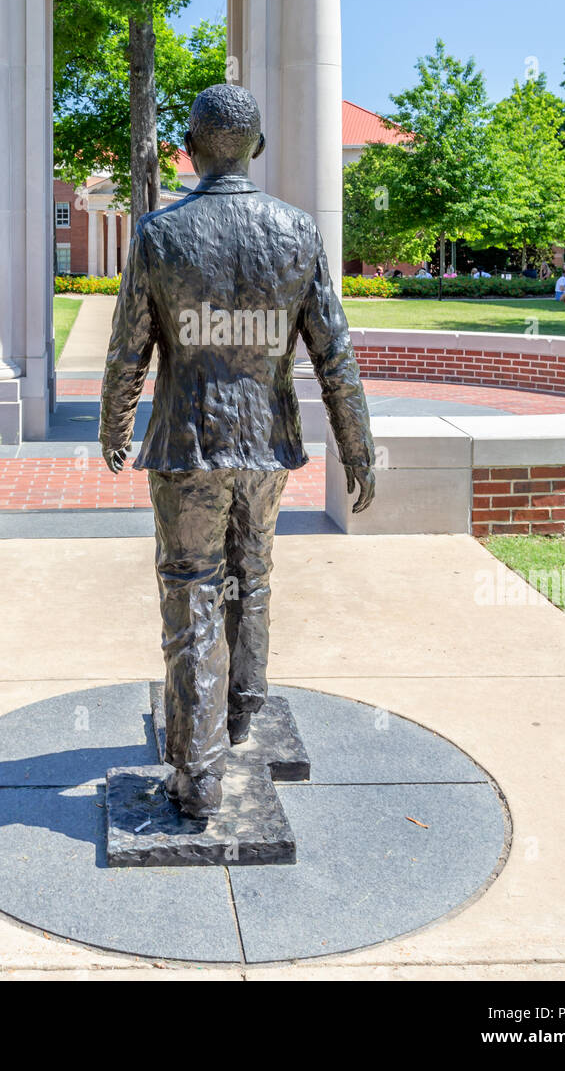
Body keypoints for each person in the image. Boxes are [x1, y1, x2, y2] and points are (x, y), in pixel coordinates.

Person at [101, 84, 375, 820]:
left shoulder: (161, 234)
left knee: (191, 593)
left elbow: (130, 349)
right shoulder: (298, 231)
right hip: (264, 441)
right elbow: (334, 351)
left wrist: (114, 422)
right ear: (257, 146)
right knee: (250, 577)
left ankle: (199, 772)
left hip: (189, 442)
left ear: (189, 148)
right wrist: (356, 440)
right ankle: (242, 711)